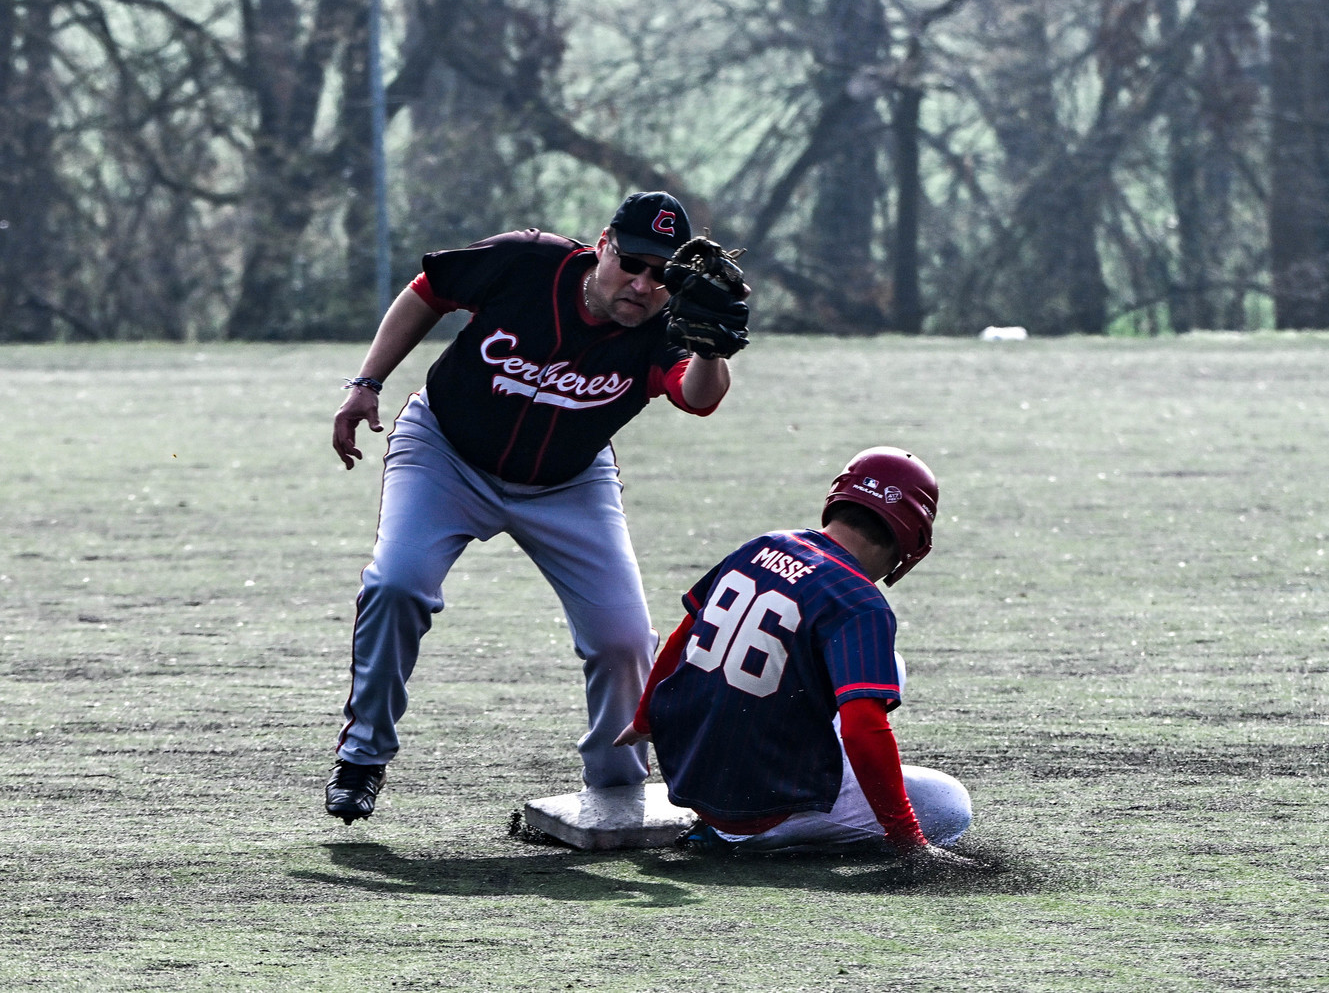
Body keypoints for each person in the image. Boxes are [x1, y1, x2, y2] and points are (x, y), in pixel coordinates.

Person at [324, 191, 748, 824]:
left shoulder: (667, 324)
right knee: (396, 585)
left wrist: (711, 349)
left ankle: (616, 791)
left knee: (624, 640)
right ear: (602, 245)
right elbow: (427, 291)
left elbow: (699, 397)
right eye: (631, 262)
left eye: (662, 274)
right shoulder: (526, 261)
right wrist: (366, 383)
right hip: (446, 452)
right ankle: (362, 755)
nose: (642, 284)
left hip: (569, 480)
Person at [614, 447, 974, 864]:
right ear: (912, 536)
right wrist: (908, 839)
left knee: (884, 666)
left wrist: (645, 718)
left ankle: (736, 819)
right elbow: (863, 729)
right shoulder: (860, 601)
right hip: (763, 810)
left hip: (691, 774)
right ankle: (765, 840)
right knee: (949, 805)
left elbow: (684, 634)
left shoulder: (763, 544)